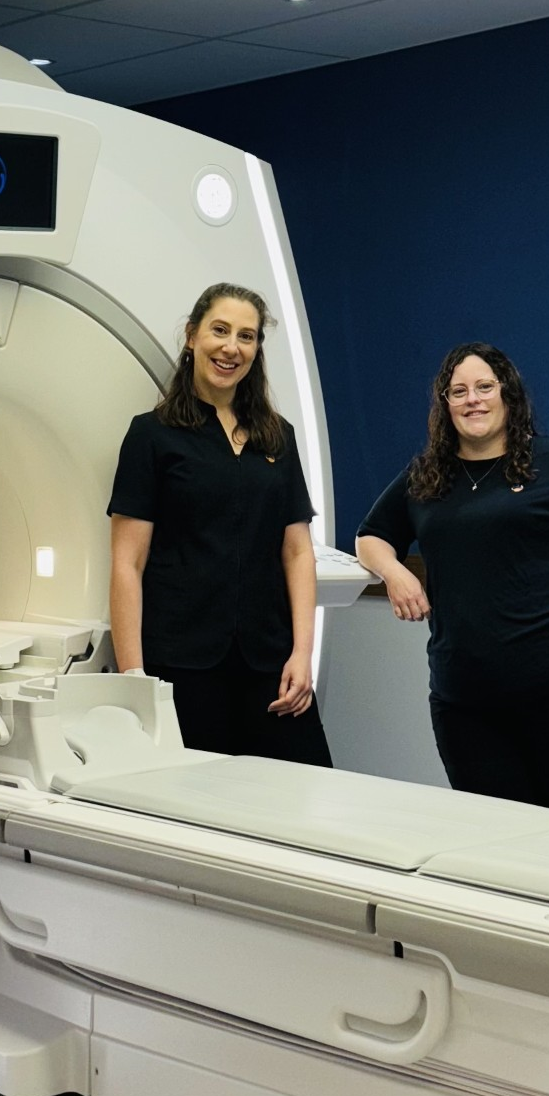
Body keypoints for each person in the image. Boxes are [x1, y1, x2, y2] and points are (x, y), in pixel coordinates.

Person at [355, 343, 549, 817]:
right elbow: (369, 537)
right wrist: (394, 571)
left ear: (508, 395)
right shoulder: (427, 475)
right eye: (458, 391)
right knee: (493, 846)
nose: (472, 399)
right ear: (444, 404)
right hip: (466, 701)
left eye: (484, 387)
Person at [108, 283, 331, 765]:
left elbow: (297, 551)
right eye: (220, 331)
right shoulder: (152, 436)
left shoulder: (278, 435)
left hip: (269, 660)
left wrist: (301, 655)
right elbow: (128, 562)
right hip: (181, 662)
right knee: (198, 808)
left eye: (247, 336)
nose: (232, 347)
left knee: (304, 791)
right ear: (192, 337)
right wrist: (133, 677)